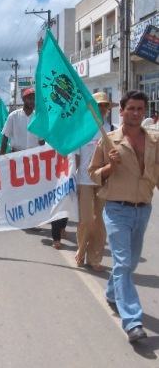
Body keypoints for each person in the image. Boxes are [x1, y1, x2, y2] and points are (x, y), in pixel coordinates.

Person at [89, 90, 159, 343]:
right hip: (117, 209)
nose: (136, 113)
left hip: (144, 208)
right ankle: (133, 321)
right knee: (122, 262)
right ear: (122, 111)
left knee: (129, 264)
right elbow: (93, 174)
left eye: (140, 109)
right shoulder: (108, 141)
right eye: (131, 109)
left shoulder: (153, 140)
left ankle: (112, 292)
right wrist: (110, 166)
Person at [74, 92, 116, 271]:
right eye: (100, 105)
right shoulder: (82, 129)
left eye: (105, 106)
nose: (103, 109)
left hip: (104, 180)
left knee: (99, 220)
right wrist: (73, 178)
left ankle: (94, 258)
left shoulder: (112, 129)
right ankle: (81, 251)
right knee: (85, 220)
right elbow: (75, 156)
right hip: (84, 179)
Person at [0, 88, 44, 154]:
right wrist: (2, 157)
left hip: (34, 156)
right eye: (29, 98)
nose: (32, 101)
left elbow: (41, 140)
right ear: (23, 99)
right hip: (17, 156)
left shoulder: (38, 118)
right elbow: (5, 138)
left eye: (34, 99)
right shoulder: (13, 116)